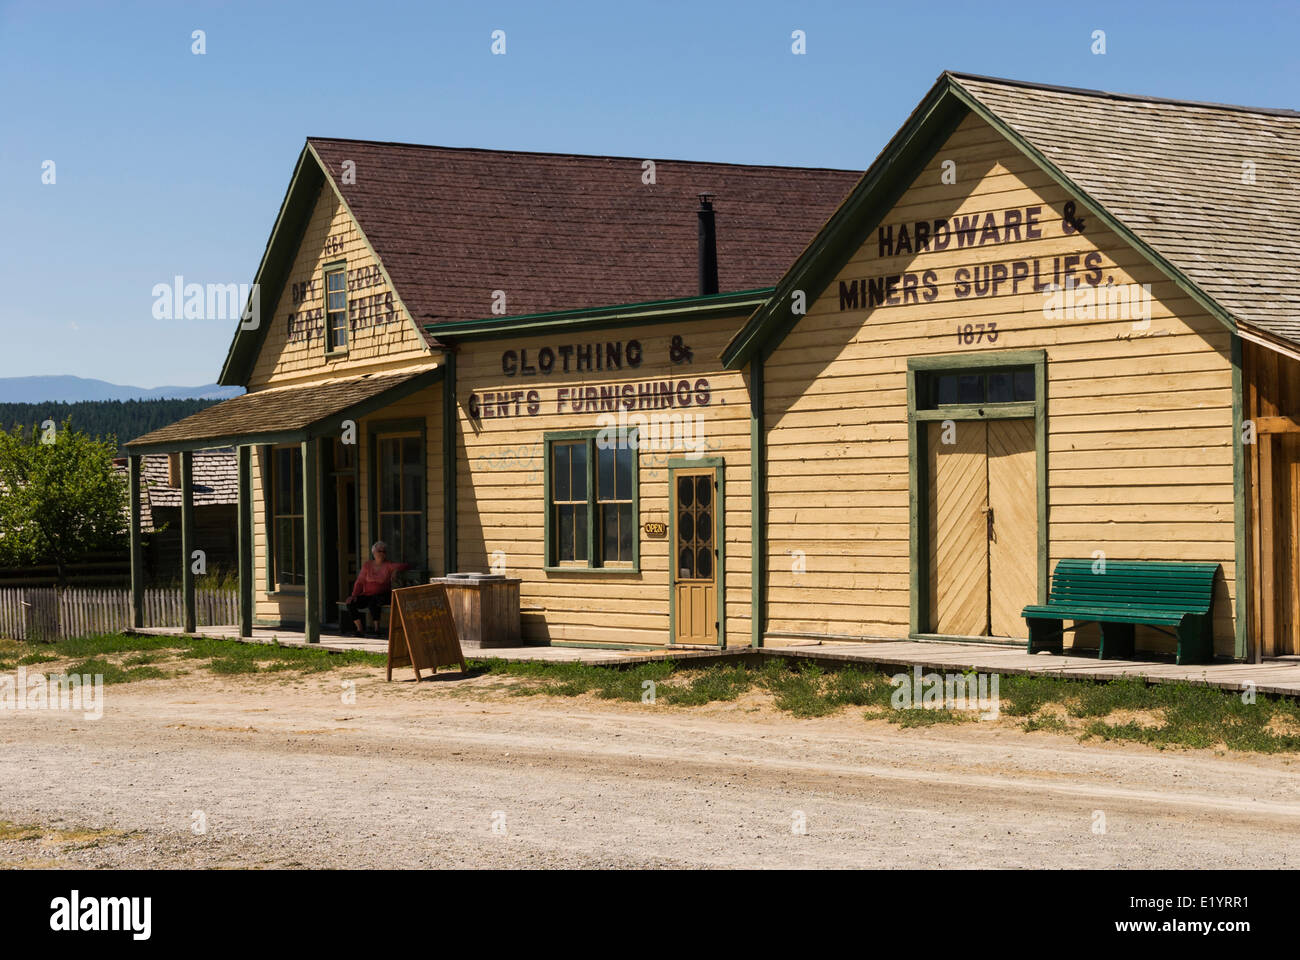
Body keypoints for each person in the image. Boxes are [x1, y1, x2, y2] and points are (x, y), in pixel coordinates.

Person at [343, 541, 411, 636]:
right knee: (350, 602)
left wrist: (396, 570)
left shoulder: (388, 565)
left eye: (384, 551)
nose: (382, 553)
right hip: (367, 595)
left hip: (383, 595)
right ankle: (359, 629)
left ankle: (376, 629)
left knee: (374, 602)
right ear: (374, 552)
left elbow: (406, 565)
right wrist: (354, 595)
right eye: (380, 551)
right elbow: (359, 581)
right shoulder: (367, 565)